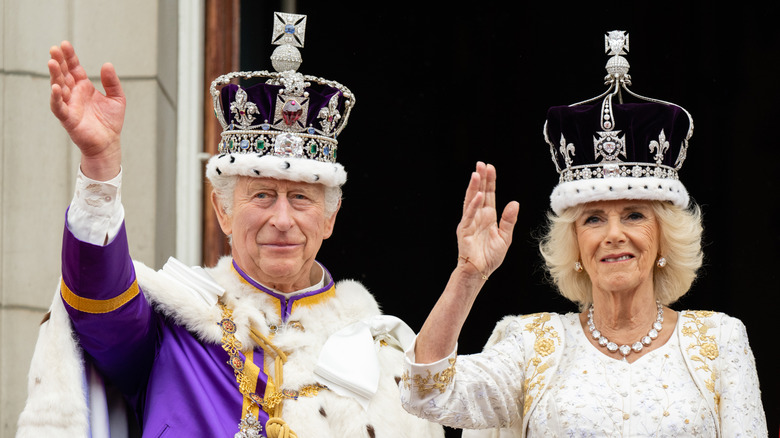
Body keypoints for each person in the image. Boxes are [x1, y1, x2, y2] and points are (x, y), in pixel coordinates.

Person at [17, 12, 444, 438]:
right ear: (222, 210)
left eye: (300, 198)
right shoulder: (173, 326)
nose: (281, 220)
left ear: (330, 218)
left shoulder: (382, 355)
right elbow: (97, 298)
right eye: (261, 195)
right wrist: (100, 166)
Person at [399, 31, 767, 437]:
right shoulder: (532, 346)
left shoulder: (719, 342)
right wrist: (468, 275)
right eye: (593, 219)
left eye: (634, 215)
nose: (613, 234)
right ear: (574, 243)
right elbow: (426, 395)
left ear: (665, 236)